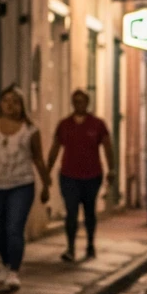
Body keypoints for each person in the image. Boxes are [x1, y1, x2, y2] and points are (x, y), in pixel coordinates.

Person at [0, 87, 51, 291]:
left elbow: (38, 158)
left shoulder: (31, 130)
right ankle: (6, 263)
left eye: (15, 101)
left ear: (22, 105)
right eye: (6, 100)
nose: (10, 104)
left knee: (14, 228)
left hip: (21, 185)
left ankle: (14, 271)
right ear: (0, 103)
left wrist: (46, 185)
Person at [46, 90, 115, 262]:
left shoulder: (97, 124)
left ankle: (90, 244)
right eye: (76, 101)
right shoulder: (65, 124)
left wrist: (112, 168)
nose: (79, 104)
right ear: (72, 103)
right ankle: (70, 247)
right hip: (69, 175)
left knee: (89, 211)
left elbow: (107, 147)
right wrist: (47, 170)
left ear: (87, 103)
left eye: (82, 101)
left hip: (92, 175)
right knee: (71, 211)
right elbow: (55, 147)